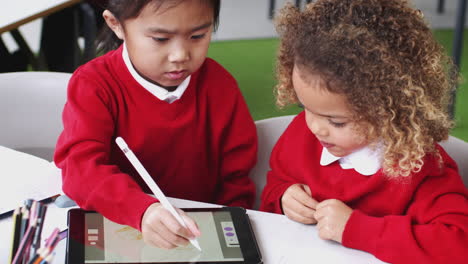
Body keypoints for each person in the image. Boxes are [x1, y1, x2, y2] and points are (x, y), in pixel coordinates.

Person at [260, 0, 468, 263]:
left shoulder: (421, 169)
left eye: (337, 122)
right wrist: (282, 197)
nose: (315, 127)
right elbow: (276, 182)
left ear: (391, 111)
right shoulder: (303, 135)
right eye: (306, 108)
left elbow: (459, 244)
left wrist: (356, 229)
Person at [54, 0, 257, 249]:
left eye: (198, 35)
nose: (180, 55)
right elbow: (80, 168)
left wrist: (226, 232)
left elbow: (237, 179)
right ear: (115, 24)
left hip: (198, 235)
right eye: (160, 39)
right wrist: (142, 211)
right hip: (121, 227)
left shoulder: (220, 86)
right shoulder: (94, 85)